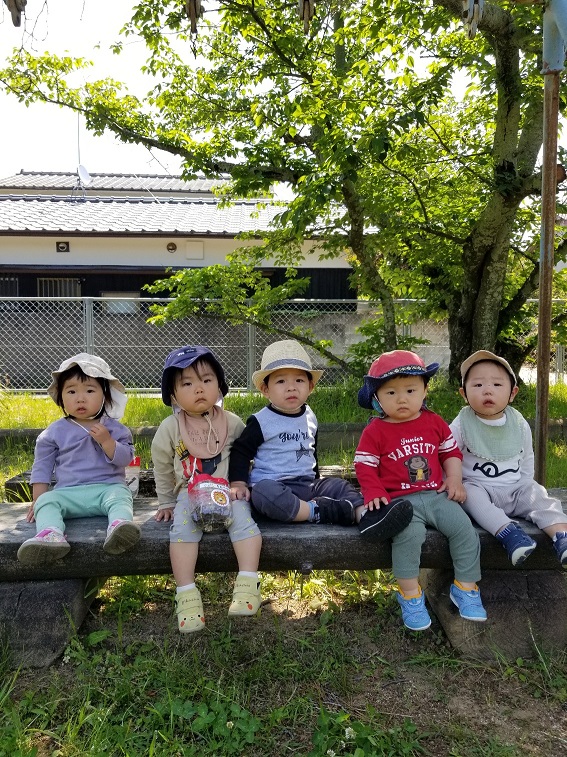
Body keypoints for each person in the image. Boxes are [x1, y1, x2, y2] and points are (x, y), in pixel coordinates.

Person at [354, 350, 487, 631]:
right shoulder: (375, 431)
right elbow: (364, 465)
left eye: (410, 390)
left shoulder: (434, 422)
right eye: (390, 393)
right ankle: (410, 595)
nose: (401, 398)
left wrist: (454, 480)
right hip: (400, 502)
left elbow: (450, 453)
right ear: (376, 398)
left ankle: (465, 586)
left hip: (437, 496)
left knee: (463, 528)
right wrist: (374, 490)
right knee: (409, 537)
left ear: (425, 390)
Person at [152, 345, 262, 633]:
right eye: (187, 383)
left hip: (228, 493)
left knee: (245, 523)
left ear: (220, 387)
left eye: (206, 380)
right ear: (173, 394)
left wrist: (244, 484)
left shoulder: (233, 423)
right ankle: (186, 593)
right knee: (182, 530)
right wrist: (165, 502)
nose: (198, 388)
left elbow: (246, 456)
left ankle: (248, 583)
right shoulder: (170, 428)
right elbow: (162, 466)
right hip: (188, 496)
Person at [229, 339, 370, 527]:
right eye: (281, 381)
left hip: (307, 486)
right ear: (265, 389)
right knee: (263, 493)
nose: (291, 387)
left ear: (310, 387)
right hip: (274, 486)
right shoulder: (261, 421)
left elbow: (312, 452)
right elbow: (241, 451)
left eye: (299, 380)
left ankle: (364, 515)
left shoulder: (310, 416)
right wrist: (238, 483)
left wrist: (318, 482)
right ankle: (316, 511)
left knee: (338, 485)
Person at [18, 354, 140, 565]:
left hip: (107, 488)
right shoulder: (53, 432)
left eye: (90, 390)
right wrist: (38, 500)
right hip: (68, 494)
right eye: (71, 391)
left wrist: (107, 442)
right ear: (61, 397)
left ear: (105, 395)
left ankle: (119, 526)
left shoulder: (115, 428)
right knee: (47, 501)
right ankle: (51, 535)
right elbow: (42, 467)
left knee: (121, 495)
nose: (80, 398)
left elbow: (126, 458)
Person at [450, 350, 567, 568]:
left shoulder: (518, 422)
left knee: (540, 496)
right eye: (477, 385)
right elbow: (448, 454)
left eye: (497, 385)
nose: (487, 390)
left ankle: (561, 536)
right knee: (470, 498)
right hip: (479, 487)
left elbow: (527, 456)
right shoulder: (462, 423)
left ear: (512, 393)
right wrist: (454, 482)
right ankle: (509, 534)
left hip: (516, 487)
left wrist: (526, 483)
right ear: (463, 394)